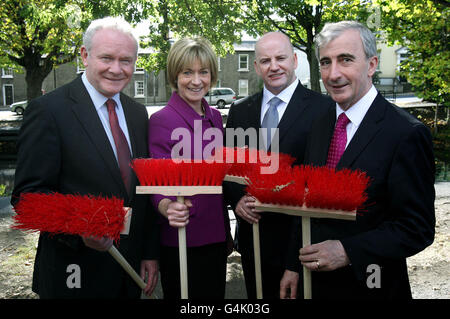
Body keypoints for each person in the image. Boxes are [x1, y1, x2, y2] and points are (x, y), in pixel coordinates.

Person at [281, 21, 435, 299]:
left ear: (372, 64)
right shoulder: (319, 124)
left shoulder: (405, 133)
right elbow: (305, 201)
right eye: (325, 62)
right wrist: (293, 264)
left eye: (346, 60)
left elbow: (417, 228)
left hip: (373, 286)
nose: (333, 73)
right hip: (314, 285)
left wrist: (347, 251)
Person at [11, 17, 159, 299]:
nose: (116, 69)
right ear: (84, 55)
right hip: (73, 274)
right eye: (107, 58)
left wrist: (149, 254)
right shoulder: (48, 111)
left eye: (126, 60)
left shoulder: (138, 114)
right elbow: (28, 198)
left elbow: (142, 192)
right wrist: (79, 229)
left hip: (127, 273)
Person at [224, 32, 331, 299]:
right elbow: (227, 167)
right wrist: (236, 200)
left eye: (281, 58)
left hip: (299, 242)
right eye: (265, 60)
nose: (274, 66)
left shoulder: (324, 109)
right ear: (257, 66)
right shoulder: (240, 110)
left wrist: (295, 262)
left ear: (294, 60)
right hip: (253, 239)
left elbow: (321, 184)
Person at [147, 37, 231, 299]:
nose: (196, 81)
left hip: (217, 236)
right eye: (187, 72)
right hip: (183, 238)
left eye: (203, 72)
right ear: (175, 75)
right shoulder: (162, 120)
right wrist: (165, 205)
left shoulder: (215, 117)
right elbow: (156, 182)